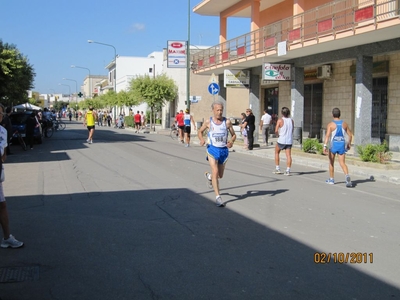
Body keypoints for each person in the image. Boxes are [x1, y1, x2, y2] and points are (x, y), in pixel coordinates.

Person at [198, 101, 236, 207]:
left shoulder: (227, 122)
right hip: (212, 149)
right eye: (217, 110)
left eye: (221, 110)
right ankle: (218, 197)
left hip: (223, 150)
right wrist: (201, 139)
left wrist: (231, 141)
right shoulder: (208, 122)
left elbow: (234, 135)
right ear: (213, 110)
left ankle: (210, 177)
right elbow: (200, 131)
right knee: (215, 171)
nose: (219, 112)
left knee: (220, 175)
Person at [0, 104, 24, 249]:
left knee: (2, 205)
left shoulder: (2, 131)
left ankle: (7, 237)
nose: (1, 115)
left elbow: (3, 156)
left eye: (1, 112)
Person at [324, 107, 353, 187]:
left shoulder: (330, 125)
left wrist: (325, 146)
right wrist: (348, 143)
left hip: (333, 145)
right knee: (342, 163)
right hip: (341, 145)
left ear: (332, 115)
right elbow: (350, 135)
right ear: (340, 114)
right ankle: (347, 176)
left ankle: (331, 179)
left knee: (331, 162)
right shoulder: (344, 124)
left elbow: (327, 136)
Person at [273, 107, 294, 176]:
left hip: (281, 139)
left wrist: (277, 135)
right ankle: (288, 170)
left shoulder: (280, 120)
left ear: (282, 113)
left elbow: (276, 130)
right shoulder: (291, 120)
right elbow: (292, 130)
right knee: (288, 155)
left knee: (276, 152)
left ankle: (277, 168)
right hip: (289, 140)